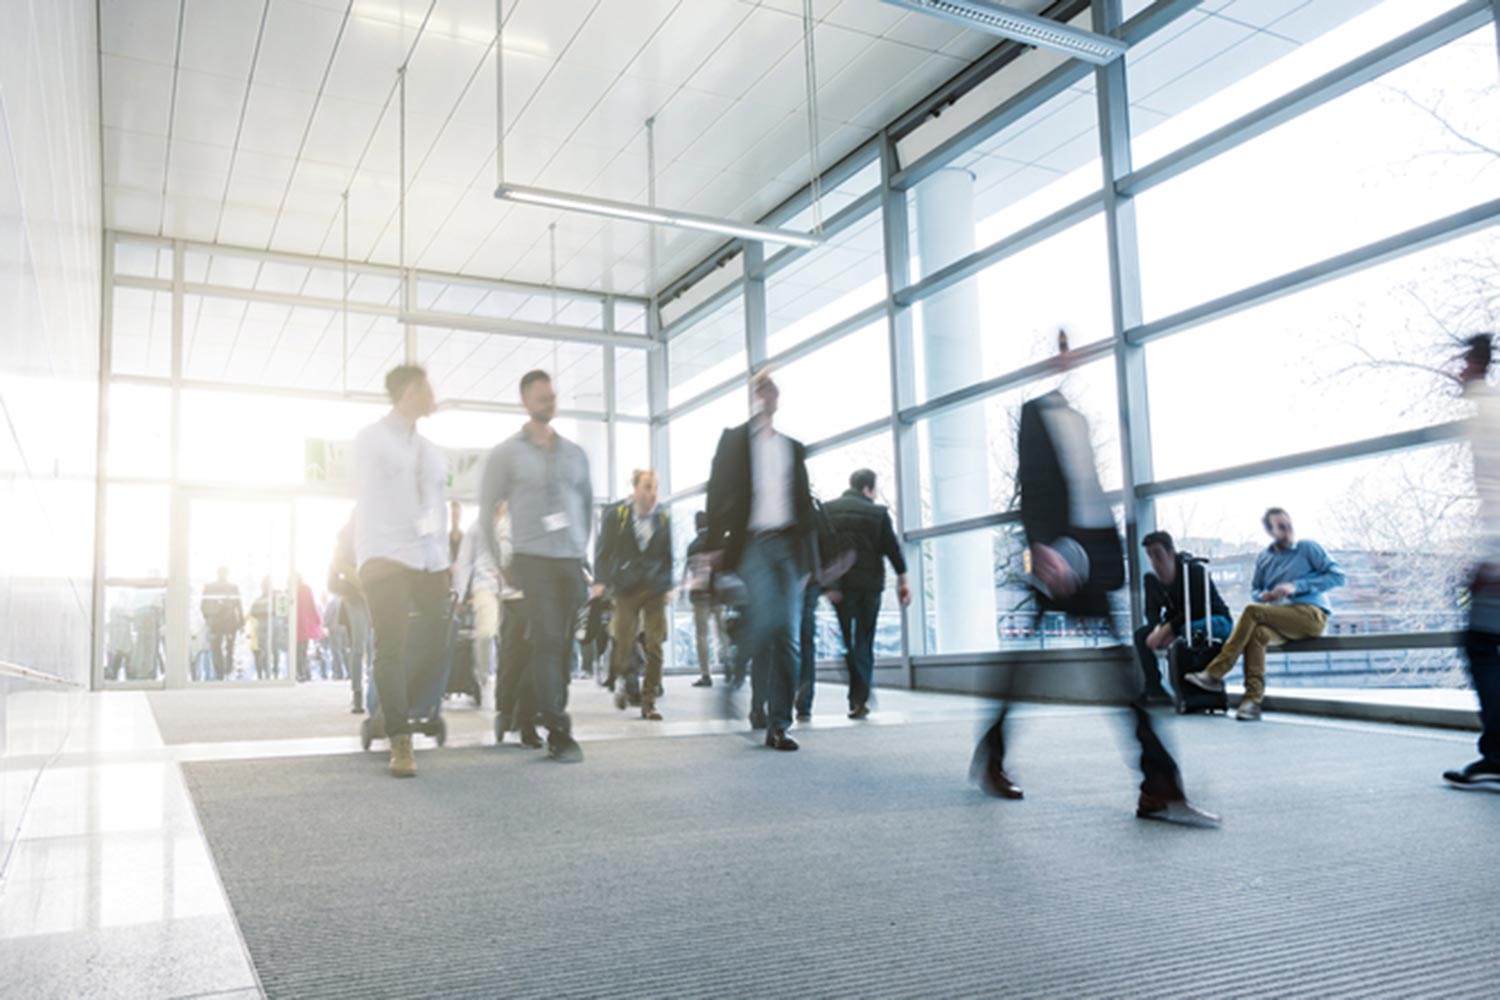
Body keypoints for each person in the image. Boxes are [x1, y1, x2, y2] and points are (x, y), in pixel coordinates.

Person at [972, 336, 1218, 827]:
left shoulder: (1081, 421)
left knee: (1119, 671)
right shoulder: (1034, 414)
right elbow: (1032, 486)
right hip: (1057, 554)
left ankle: (1158, 786)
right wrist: (1042, 547)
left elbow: (1085, 490)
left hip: (1090, 553)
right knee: (1032, 666)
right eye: (1062, 357)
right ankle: (995, 754)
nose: (1071, 360)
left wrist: (1100, 556)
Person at [479, 370, 593, 763]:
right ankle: (558, 730)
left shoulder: (575, 454)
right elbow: (486, 510)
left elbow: (587, 507)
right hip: (532, 560)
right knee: (545, 641)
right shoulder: (506, 454)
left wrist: (581, 555)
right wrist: (499, 561)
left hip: (568, 562)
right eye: (541, 396)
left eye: (552, 395)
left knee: (561, 649)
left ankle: (539, 714)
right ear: (525, 401)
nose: (550, 401)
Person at [705, 370, 816, 752]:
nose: (767, 394)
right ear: (754, 396)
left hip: (786, 546)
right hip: (750, 543)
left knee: (788, 634)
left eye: (772, 388)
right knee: (768, 619)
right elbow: (717, 491)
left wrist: (809, 563)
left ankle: (779, 725)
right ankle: (736, 676)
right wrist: (713, 545)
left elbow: (804, 506)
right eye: (761, 388)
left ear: (778, 397)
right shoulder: (734, 441)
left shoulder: (792, 447)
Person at [354, 364, 452, 778]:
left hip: (426, 559)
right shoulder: (371, 440)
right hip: (383, 555)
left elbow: (437, 508)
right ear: (411, 390)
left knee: (440, 633)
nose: (434, 393)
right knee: (391, 645)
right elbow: (374, 500)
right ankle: (399, 737)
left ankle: (396, 710)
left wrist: (442, 560)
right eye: (428, 386)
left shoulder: (430, 451)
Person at [1183, 508, 1345, 721]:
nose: (1287, 531)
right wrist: (1265, 597)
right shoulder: (1264, 558)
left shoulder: (1307, 548)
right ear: (1270, 531)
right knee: (1258, 633)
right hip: (1280, 619)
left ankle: (1215, 672)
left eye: (1288, 526)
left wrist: (1297, 586)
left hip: (1310, 615)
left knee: (1252, 612)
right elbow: (1256, 591)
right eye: (1280, 527)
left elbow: (1338, 577)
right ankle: (1252, 702)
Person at [1446, 333, 1500, 791]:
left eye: (1463, 364)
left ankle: (1498, 752)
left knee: (1480, 647)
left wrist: (1493, 561)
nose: (1458, 372)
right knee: (1483, 647)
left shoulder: (1489, 414)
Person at [823, 470, 912, 720]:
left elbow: (823, 547)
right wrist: (903, 581)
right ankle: (859, 697)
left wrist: (827, 584)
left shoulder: (829, 510)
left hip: (841, 586)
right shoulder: (878, 513)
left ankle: (856, 686)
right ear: (867, 489)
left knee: (848, 640)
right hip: (870, 586)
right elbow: (893, 550)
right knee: (865, 639)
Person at [593, 470, 673, 721]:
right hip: (626, 586)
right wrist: (600, 581)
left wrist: (669, 584)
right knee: (624, 643)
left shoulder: (663, 516)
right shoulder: (617, 515)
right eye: (647, 487)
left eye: (655, 488)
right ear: (635, 488)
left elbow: (668, 554)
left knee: (654, 645)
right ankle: (621, 681)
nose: (652, 493)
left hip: (654, 587)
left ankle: (649, 702)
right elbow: (603, 551)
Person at [1134, 530, 1233, 706]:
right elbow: (1152, 613)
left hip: (1215, 620)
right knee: (1142, 635)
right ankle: (1154, 689)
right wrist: (1157, 630)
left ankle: (1197, 691)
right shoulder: (1152, 580)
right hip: (1181, 625)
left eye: (1158, 554)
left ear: (1171, 552)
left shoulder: (1193, 570)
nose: (1154, 561)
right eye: (1150, 556)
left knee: (1187, 630)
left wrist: (1168, 630)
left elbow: (1198, 608)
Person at [493, 503, 541, 748]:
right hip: (516, 599)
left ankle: (526, 718)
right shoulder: (508, 524)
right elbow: (503, 558)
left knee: (534, 659)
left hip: (540, 598)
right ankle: (507, 709)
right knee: (514, 657)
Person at [453, 507, 503, 704]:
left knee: (508, 639)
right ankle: (481, 677)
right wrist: (459, 593)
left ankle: (505, 681)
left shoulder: (516, 522)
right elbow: (464, 561)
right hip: (484, 586)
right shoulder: (477, 527)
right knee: (486, 633)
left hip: (510, 588)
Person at [327, 515, 370, 713]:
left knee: (377, 646)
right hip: (355, 599)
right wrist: (352, 587)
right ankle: (357, 693)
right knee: (359, 646)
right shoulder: (341, 550)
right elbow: (331, 583)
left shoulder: (372, 541)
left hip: (375, 596)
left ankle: (377, 692)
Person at [684, 511, 728, 688]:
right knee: (722, 631)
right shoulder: (718, 543)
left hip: (699, 596)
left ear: (696, 526)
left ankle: (705, 674)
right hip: (717, 594)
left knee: (702, 635)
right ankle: (728, 663)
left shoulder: (693, 546)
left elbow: (690, 572)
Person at [200, 567, 243, 681]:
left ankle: (222, 671)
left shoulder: (210, 587)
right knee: (227, 648)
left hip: (219, 623)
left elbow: (203, 606)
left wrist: (208, 619)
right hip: (227, 622)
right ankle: (225, 670)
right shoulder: (232, 587)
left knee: (218, 648)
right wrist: (241, 623)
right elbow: (238, 606)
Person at [294, 575, 324, 682]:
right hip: (304, 624)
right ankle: (304, 673)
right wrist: (318, 621)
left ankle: (299, 673)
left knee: (297, 651)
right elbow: (312, 604)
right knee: (303, 650)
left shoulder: (291, 589)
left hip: (295, 624)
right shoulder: (306, 589)